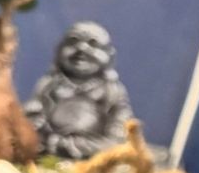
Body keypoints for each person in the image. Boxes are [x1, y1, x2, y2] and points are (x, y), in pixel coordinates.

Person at [25, 21, 133, 159]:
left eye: (93, 44)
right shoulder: (48, 85)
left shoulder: (112, 91)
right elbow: (31, 120)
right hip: (48, 153)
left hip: (92, 155)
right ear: (59, 50)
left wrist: (76, 146)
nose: (81, 48)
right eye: (73, 41)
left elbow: (119, 135)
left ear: (109, 55)